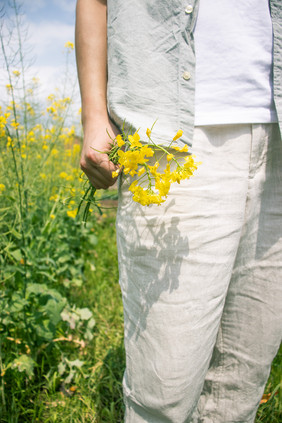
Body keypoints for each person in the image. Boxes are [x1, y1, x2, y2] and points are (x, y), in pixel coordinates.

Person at [75, 0, 282, 421]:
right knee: (164, 390)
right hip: (173, 137)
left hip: (275, 136)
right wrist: (94, 114)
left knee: (243, 377)